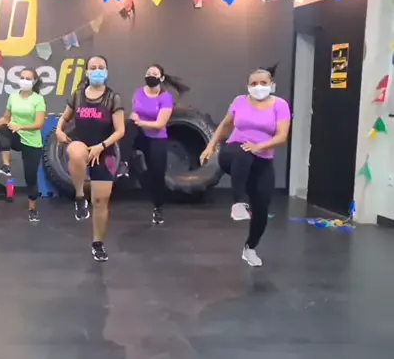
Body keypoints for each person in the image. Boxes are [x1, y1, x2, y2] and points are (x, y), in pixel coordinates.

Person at [199, 65, 291, 267]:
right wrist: (210, 146)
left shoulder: (280, 105)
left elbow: (282, 136)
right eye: (254, 83)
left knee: (261, 207)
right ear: (247, 85)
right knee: (243, 151)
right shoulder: (239, 101)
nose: (258, 86)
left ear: (272, 85)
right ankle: (239, 202)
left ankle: (250, 248)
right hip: (233, 154)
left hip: (262, 160)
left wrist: (260, 146)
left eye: (263, 83)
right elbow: (225, 125)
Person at [54, 55, 126, 262]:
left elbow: (120, 130)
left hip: (104, 150)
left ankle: (98, 243)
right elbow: (64, 117)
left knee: (101, 201)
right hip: (82, 144)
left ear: (107, 71)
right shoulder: (78, 95)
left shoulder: (113, 98)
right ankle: (79, 196)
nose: (97, 71)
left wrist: (101, 147)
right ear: (86, 72)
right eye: (93, 67)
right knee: (76, 152)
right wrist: (59, 130)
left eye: (101, 67)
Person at [117, 64, 189, 225]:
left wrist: (141, 122)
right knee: (129, 125)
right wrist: (136, 119)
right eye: (148, 73)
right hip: (141, 135)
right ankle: (123, 163)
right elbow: (135, 114)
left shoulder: (165, 98)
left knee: (157, 175)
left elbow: (159, 124)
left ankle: (158, 207)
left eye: (154, 73)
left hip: (157, 138)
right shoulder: (139, 92)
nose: (151, 75)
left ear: (161, 78)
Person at [0, 68, 46, 222]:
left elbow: (39, 124)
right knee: (4, 129)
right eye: (22, 77)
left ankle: (32, 209)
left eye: (28, 78)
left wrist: (21, 127)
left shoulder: (38, 99)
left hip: (32, 141)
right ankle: (6, 165)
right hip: (16, 137)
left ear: (34, 81)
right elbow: (6, 118)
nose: (24, 80)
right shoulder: (13, 97)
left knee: (30, 177)